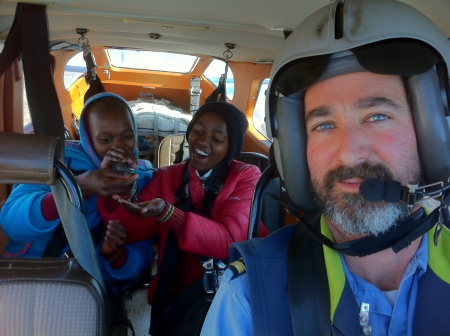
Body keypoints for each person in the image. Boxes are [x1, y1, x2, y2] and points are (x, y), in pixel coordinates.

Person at [201, 0, 450, 335]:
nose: (348, 153)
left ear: (434, 132)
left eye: (377, 117)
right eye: (323, 125)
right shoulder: (248, 298)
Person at [97, 101, 267, 335]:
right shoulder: (167, 176)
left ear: (231, 147)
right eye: (197, 131)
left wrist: (169, 213)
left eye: (217, 139)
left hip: (226, 294)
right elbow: (134, 226)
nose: (203, 141)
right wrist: (116, 186)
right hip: (171, 291)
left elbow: (230, 242)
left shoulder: (246, 176)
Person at [0, 92, 156, 283]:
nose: (119, 146)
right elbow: (11, 223)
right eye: (105, 140)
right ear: (88, 140)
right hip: (30, 273)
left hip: (87, 289)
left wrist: (114, 255)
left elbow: (138, 263)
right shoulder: (58, 162)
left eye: (127, 136)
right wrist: (77, 189)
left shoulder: (142, 182)